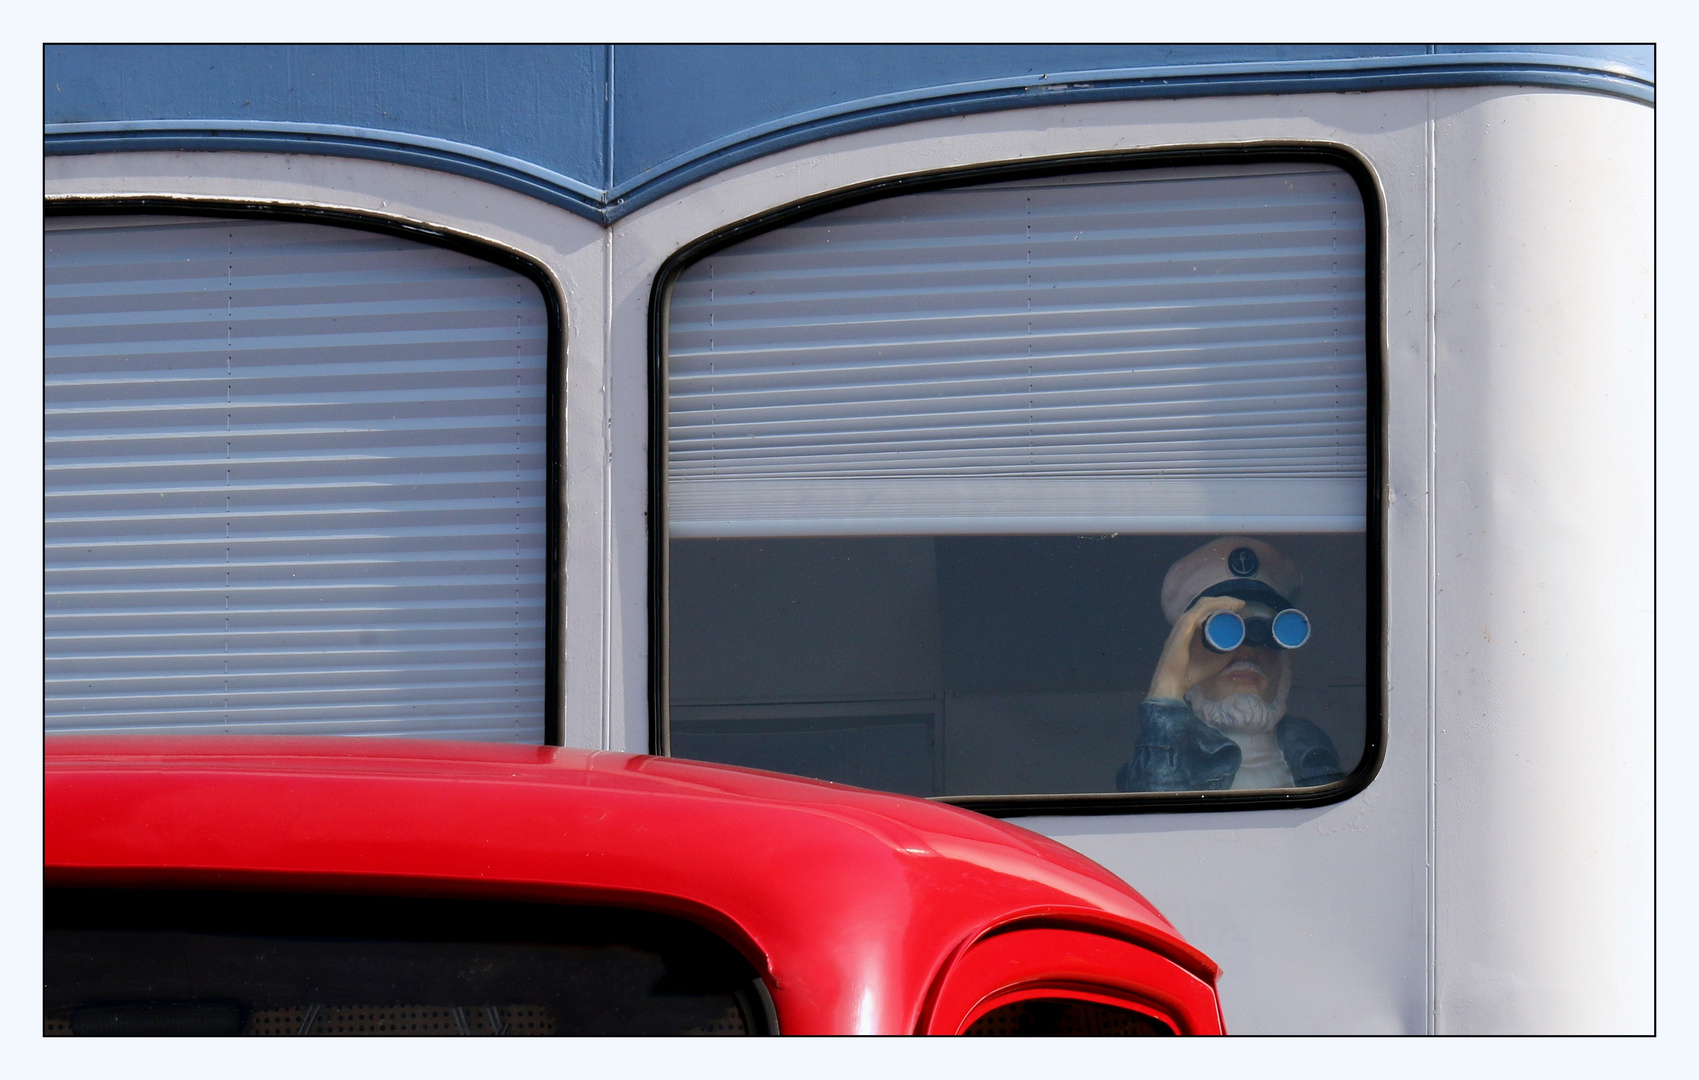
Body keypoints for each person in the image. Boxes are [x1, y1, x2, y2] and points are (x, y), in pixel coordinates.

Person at [1116, 536, 1344, 792]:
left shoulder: (1312, 746)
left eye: (1265, 639)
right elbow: (1150, 821)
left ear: (1285, 663)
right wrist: (1167, 687)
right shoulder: (1170, 757)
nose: (1245, 654)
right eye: (1224, 637)